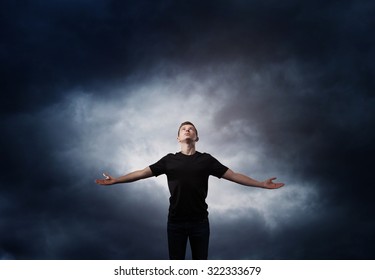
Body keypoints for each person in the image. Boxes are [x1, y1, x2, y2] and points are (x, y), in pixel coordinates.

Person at [95, 121, 284, 260]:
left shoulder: (207, 160)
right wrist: (117, 180)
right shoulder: (169, 160)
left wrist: (260, 184)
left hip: (200, 223)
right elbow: (142, 172)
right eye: (183, 129)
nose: (187, 130)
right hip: (175, 223)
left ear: (196, 137)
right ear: (178, 138)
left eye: (191, 128)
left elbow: (233, 175)